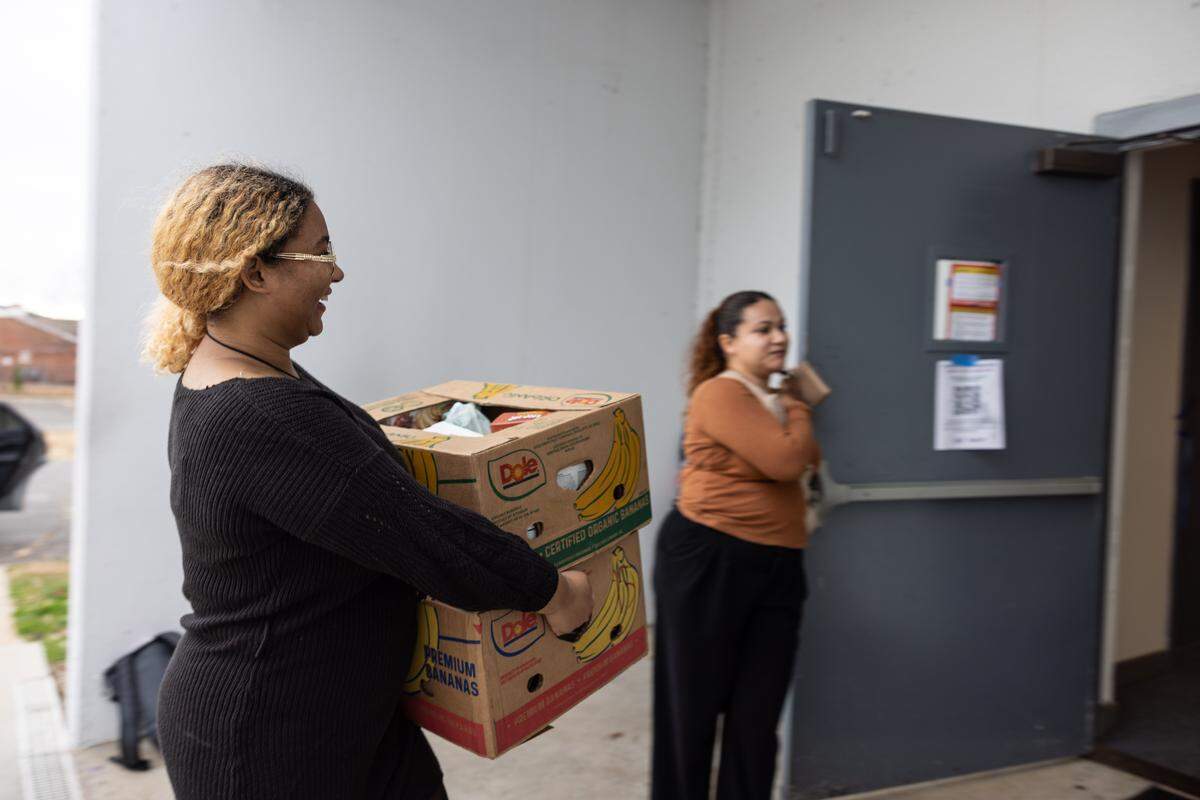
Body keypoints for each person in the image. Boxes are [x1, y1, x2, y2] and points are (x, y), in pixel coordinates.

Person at [144, 164, 592, 800]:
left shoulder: (247, 375)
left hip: (345, 713)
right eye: (321, 250)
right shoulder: (257, 412)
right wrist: (553, 593)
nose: (337, 271)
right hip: (270, 738)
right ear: (255, 271)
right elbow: (420, 533)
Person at [652, 290, 821, 800]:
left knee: (757, 714)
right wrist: (798, 407)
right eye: (763, 329)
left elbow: (793, 457)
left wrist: (782, 440)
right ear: (728, 342)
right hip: (709, 558)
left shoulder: (769, 401)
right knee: (692, 709)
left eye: (782, 326)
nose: (779, 337)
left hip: (778, 564)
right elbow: (789, 463)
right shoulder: (720, 394)